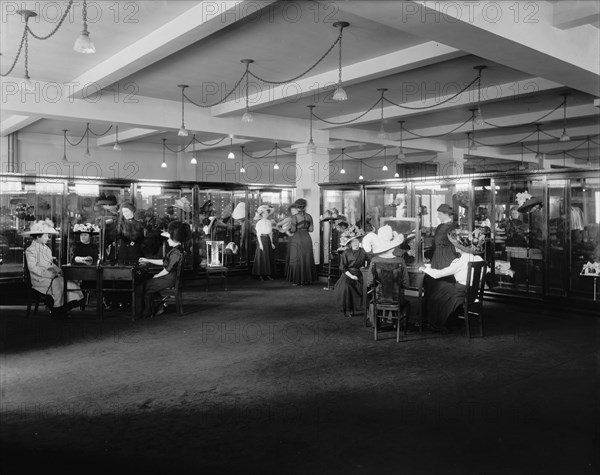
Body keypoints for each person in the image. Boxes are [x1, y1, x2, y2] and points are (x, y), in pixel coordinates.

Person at [419, 229, 484, 332]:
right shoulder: (479, 259)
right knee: (443, 286)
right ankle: (449, 319)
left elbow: (438, 274)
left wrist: (425, 269)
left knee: (436, 292)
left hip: (460, 292)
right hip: (473, 293)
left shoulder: (460, 261)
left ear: (458, 248)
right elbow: (486, 271)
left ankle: (435, 323)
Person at [24, 220, 83, 319]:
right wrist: (48, 274)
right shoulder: (30, 250)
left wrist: (59, 270)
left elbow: (50, 264)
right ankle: (57, 310)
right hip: (39, 278)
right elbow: (33, 268)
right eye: (45, 236)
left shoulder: (46, 249)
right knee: (58, 284)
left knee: (70, 283)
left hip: (51, 276)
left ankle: (63, 308)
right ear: (38, 237)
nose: (48, 238)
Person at [135, 221, 191, 319]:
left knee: (142, 286)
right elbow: (165, 262)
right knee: (147, 287)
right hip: (169, 278)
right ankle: (152, 309)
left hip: (169, 279)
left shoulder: (176, 252)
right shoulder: (178, 250)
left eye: (169, 238)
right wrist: (148, 260)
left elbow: (167, 269)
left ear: (174, 238)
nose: (167, 240)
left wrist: (157, 275)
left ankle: (144, 312)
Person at [366, 225, 410, 326]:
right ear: (394, 246)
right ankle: (397, 323)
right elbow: (406, 283)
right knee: (406, 301)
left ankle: (378, 322)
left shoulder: (375, 260)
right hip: (396, 297)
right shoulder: (400, 260)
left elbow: (369, 282)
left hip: (379, 297)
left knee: (374, 297)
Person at [333, 226, 366, 318]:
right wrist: (351, 276)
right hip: (348, 273)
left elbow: (369, 262)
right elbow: (342, 267)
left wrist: (364, 269)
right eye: (353, 242)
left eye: (356, 241)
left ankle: (364, 308)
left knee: (366, 286)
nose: (355, 243)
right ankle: (348, 309)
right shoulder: (346, 252)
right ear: (350, 243)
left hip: (360, 273)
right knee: (346, 286)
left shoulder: (363, 251)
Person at [287, 198, 317, 286]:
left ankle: (297, 280)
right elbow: (311, 230)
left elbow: (293, 229)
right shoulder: (309, 216)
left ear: (297, 207)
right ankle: (306, 280)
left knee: (296, 258)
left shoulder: (294, 217)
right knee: (306, 258)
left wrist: (288, 231)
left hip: (297, 238)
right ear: (304, 207)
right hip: (307, 238)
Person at [252, 204, 276, 281]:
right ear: (261, 214)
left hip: (268, 240)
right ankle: (261, 274)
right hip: (262, 240)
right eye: (264, 213)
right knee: (262, 257)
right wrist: (260, 244)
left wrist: (272, 242)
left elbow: (270, 233)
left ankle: (268, 274)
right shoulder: (259, 223)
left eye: (267, 213)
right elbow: (258, 235)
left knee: (268, 257)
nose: (266, 214)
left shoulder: (269, 222)